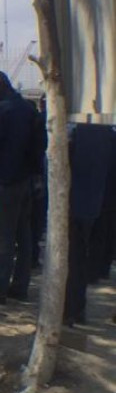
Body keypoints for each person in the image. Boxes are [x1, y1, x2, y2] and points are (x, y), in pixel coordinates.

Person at [0, 71, 44, 304]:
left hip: (7, 177)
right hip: (26, 178)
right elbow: (39, 144)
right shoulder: (28, 109)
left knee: (5, 236)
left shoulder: (3, 111)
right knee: (24, 234)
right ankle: (20, 285)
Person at [64, 123, 112, 326]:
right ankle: (77, 309)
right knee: (82, 260)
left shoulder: (75, 133)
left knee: (73, 260)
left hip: (76, 205)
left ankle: (71, 310)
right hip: (102, 206)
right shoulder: (108, 134)